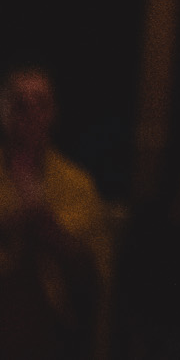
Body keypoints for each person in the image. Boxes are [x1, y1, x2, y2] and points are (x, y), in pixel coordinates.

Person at [0, 66, 110, 360]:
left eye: (41, 103)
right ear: (4, 111)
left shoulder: (78, 185)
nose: (31, 113)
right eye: (20, 103)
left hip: (52, 333)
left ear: (53, 113)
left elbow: (95, 279)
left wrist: (56, 238)